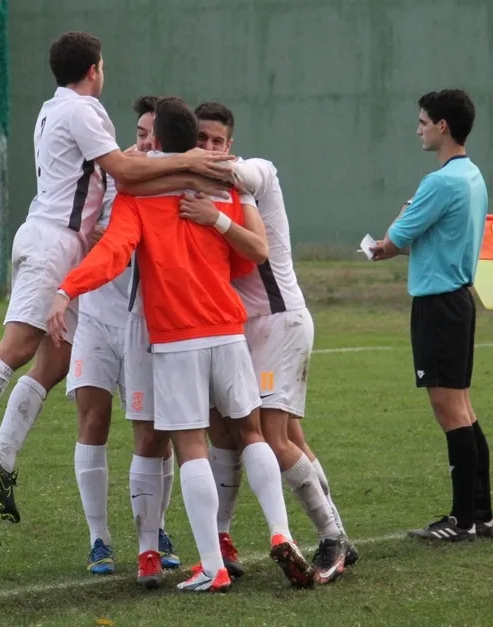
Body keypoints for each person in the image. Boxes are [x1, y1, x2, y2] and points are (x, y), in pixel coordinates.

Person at [0, 31, 233, 524]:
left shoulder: (56, 109)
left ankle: (2, 461)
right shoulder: (84, 112)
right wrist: (190, 163)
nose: (142, 140)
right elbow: (123, 172)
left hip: (62, 248)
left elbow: (120, 173)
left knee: (52, 362)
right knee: (17, 347)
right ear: (94, 69)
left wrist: (178, 169)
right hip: (55, 243)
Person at [48, 97, 315, 592]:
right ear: (193, 141)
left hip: (175, 337)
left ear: (156, 141)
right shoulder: (221, 190)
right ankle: (280, 532)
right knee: (251, 433)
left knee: (191, 446)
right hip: (229, 330)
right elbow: (245, 261)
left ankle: (212, 567)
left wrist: (67, 289)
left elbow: (113, 253)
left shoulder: (137, 197)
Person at [178, 101, 353, 584]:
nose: (209, 148)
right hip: (240, 329)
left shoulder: (255, 174)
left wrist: (208, 183)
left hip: (279, 322)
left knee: (273, 439)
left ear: (230, 145)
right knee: (260, 435)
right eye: (200, 140)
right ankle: (224, 539)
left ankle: (333, 537)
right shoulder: (191, 191)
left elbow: (248, 176)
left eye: (217, 141)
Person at [371, 89, 491, 541]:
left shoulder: (439, 182)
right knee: (463, 408)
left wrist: (400, 218)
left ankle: (462, 521)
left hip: (438, 306)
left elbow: (391, 242)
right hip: (458, 301)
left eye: (423, 122)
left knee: (449, 410)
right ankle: (482, 513)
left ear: (443, 126)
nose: (418, 129)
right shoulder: (472, 175)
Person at [69, 95, 180, 575]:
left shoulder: (174, 181)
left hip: (145, 321)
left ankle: (155, 529)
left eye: (153, 136)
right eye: (139, 134)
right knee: (93, 418)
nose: (144, 144)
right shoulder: (106, 173)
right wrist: (87, 237)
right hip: (96, 315)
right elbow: (69, 219)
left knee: (155, 433)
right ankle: (99, 538)